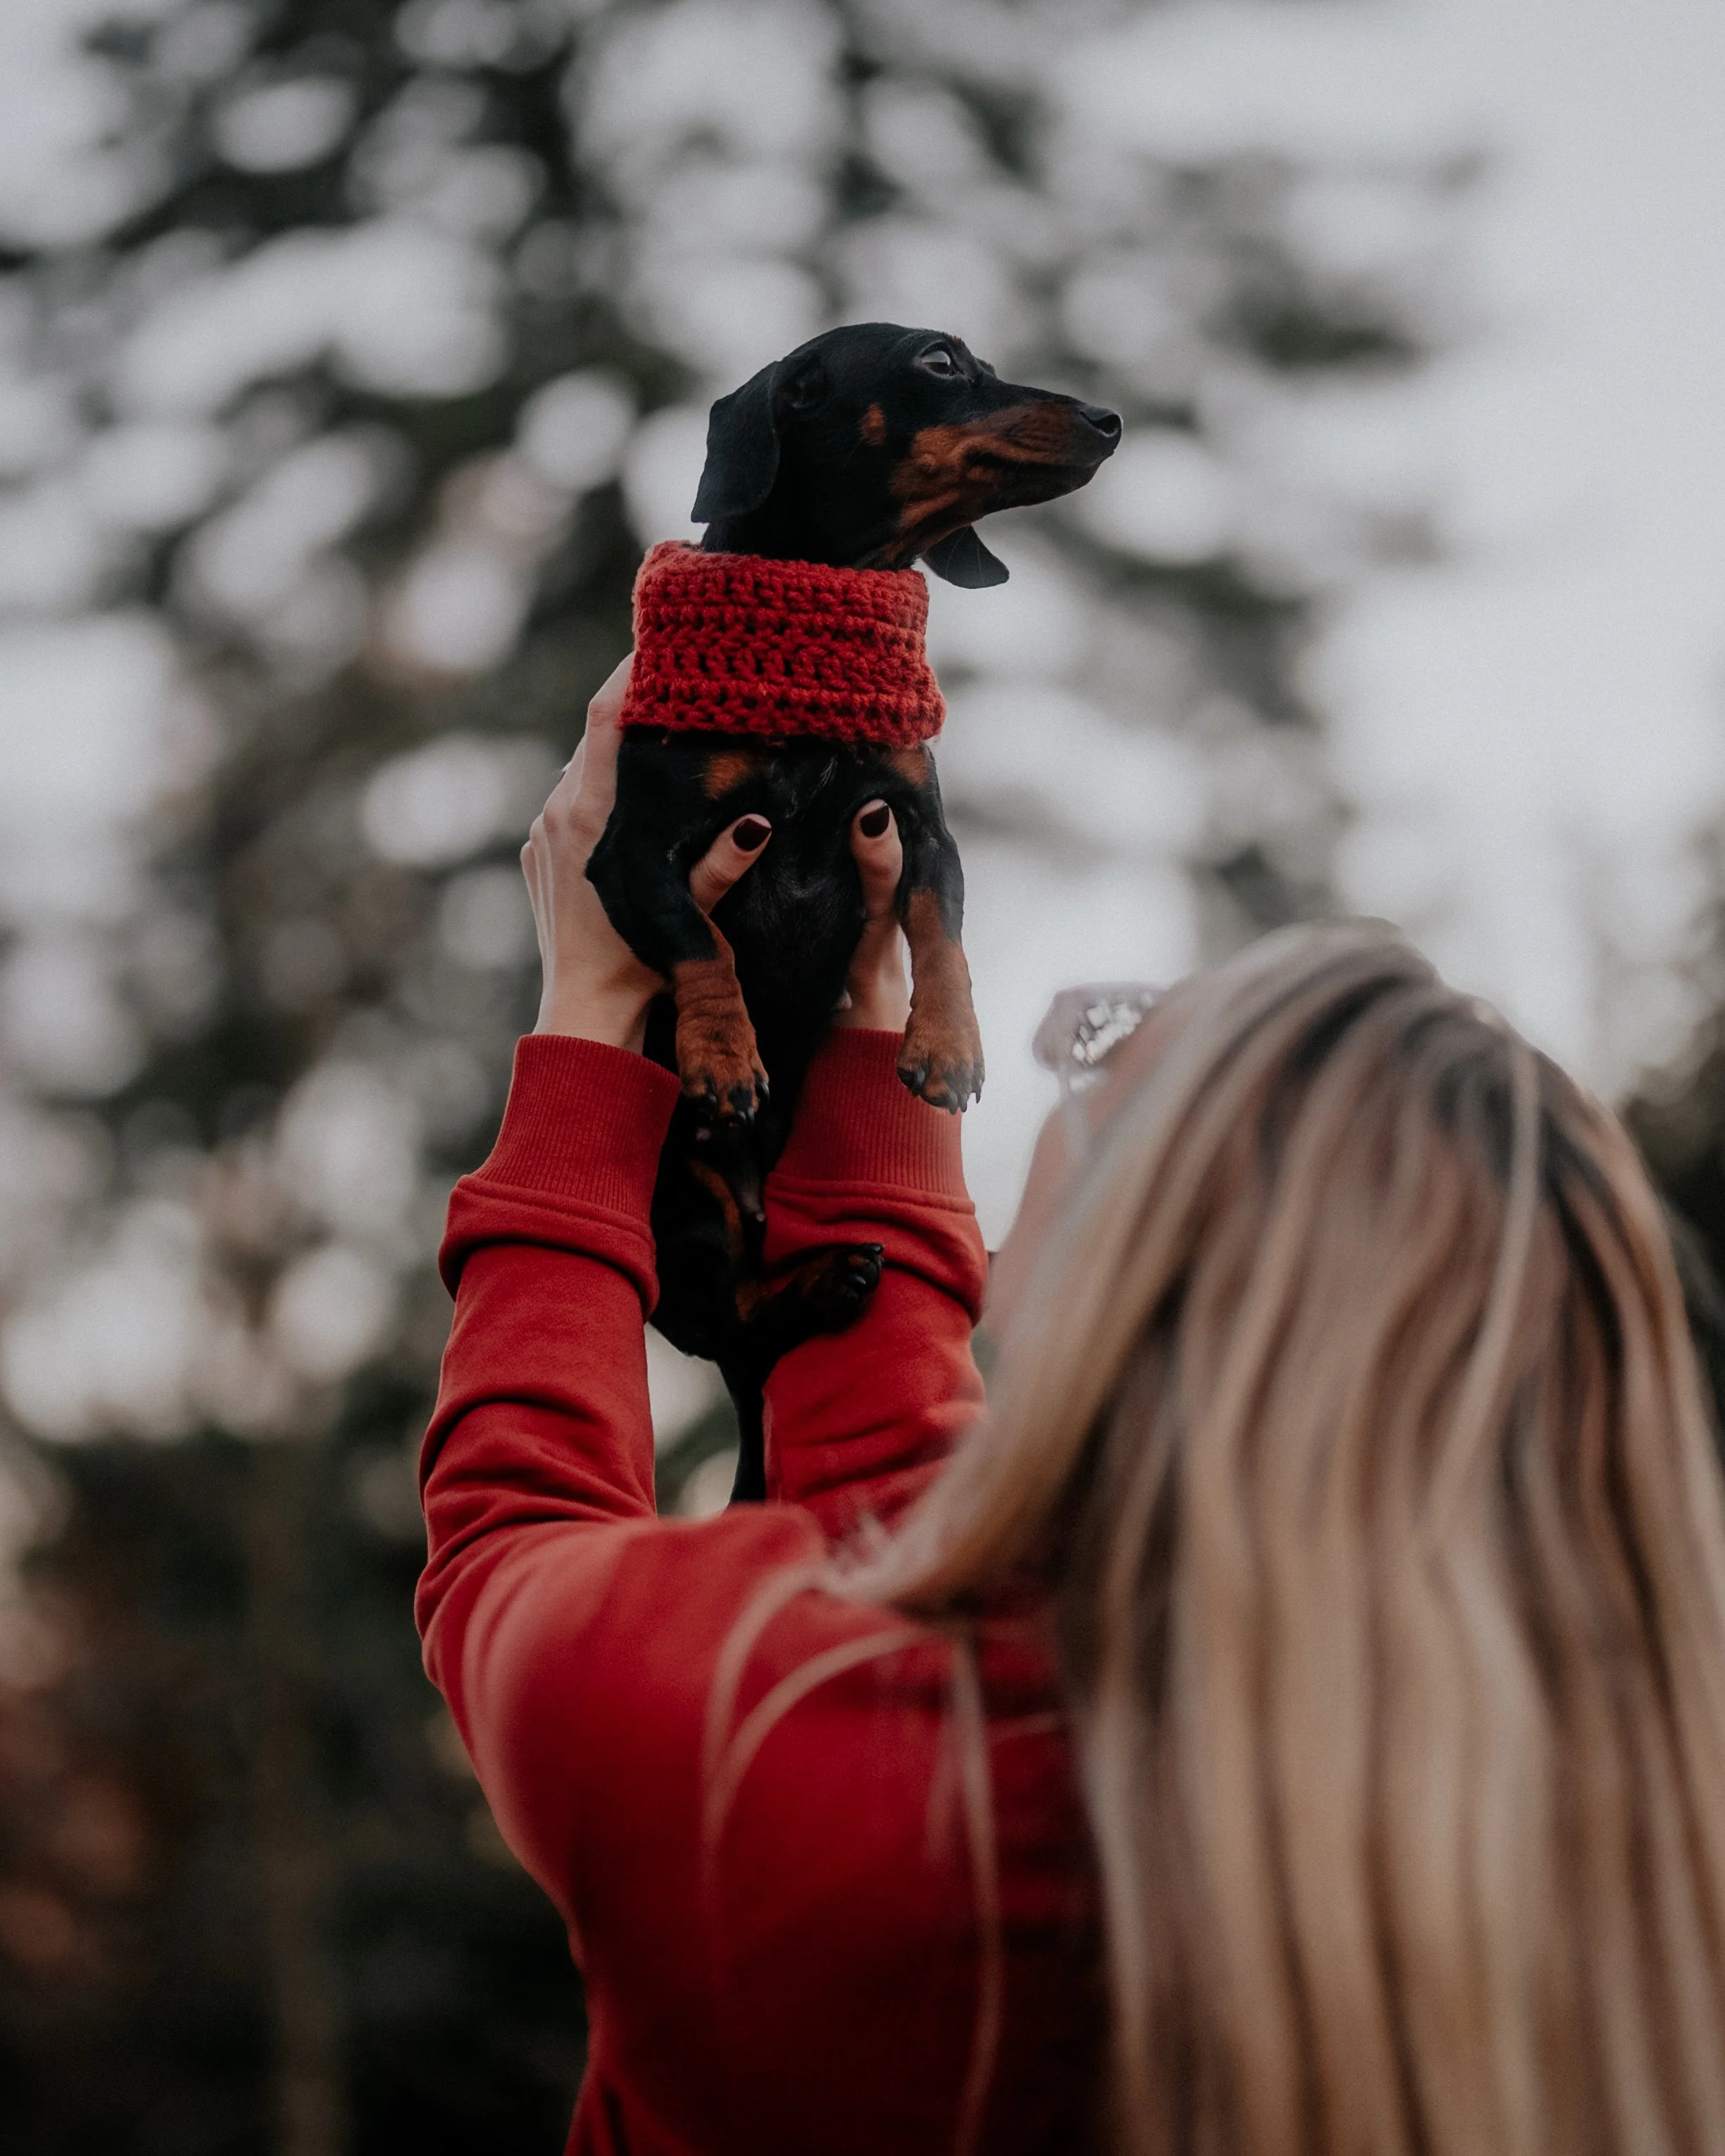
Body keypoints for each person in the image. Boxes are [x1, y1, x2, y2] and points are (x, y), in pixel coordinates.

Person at [418, 660, 1725, 2156]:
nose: (1057, 1062)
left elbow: (516, 1544)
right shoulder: (1618, 1872)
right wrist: (872, 1044)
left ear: (1136, 1265)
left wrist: (588, 1021)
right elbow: (924, 1569)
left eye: (1111, 1045)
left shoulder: (780, 1776)